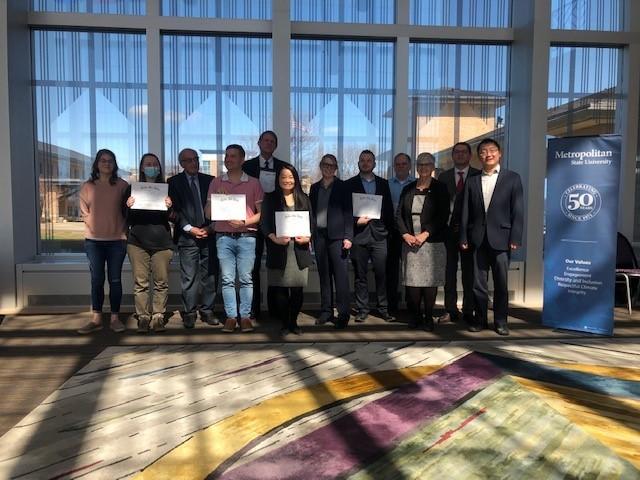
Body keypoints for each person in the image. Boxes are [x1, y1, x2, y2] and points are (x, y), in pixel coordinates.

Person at [460, 138, 524, 336]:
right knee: (478, 284)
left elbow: (518, 210)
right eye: (483, 151)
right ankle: (480, 320)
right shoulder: (471, 181)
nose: (488, 154)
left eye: (492, 150)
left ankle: (500, 321)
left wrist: (516, 237)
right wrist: (463, 236)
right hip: (477, 239)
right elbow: (465, 212)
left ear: (499, 153)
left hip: (502, 239)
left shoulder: (512, 178)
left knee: (501, 283)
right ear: (478, 156)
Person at [205, 144, 263, 333]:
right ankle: (231, 317)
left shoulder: (254, 183)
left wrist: (245, 222)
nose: (228, 159)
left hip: (247, 237)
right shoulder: (216, 182)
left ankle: (245, 316)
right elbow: (207, 213)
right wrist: (216, 201)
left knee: (246, 279)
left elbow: (261, 214)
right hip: (223, 238)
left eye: (233, 156)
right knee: (228, 280)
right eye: (227, 156)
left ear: (242, 160)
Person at [242, 130, 295, 320]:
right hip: (252, 222)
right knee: (253, 267)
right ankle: (254, 309)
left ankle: (275, 310)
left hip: (276, 222)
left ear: (276, 145)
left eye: (272, 141)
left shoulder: (283, 167)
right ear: (259, 143)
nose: (268, 143)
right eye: (265, 140)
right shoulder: (246, 166)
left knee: (275, 265)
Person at [77, 149, 128, 334]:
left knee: (115, 280)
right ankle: (96, 318)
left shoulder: (122, 186)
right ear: (97, 164)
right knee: (97, 280)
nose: (107, 163)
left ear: (114, 164)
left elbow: (129, 210)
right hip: (94, 242)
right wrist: (93, 225)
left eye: (110, 161)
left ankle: (115, 318)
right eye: (103, 160)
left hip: (117, 241)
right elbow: (84, 212)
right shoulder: (88, 186)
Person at [396, 153, 450, 331]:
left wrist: (425, 234)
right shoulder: (408, 188)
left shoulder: (440, 188)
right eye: (420, 164)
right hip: (410, 242)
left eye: (427, 164)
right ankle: (415, 316)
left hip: (432, 242)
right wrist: (405, 234)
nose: (424, 167)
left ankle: (428, 316)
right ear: (416, 167)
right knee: (412, 282)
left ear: (433, 166)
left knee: (429, 282)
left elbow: (443, 216)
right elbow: (399, 215)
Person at [167, 148, 218, 329]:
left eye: (195, 159)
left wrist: (211, 228)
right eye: (188, 160)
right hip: (187, 237)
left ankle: (208, 310)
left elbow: (217, 206)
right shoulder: (172, 183)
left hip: (209, 235)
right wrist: (191, 229)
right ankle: (189, 312)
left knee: (210, 276)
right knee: (189, 278)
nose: (193, 163)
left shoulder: (210, 180)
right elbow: (174, 211)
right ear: (182, 164)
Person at [261, 164, 313, 336]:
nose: (287, 180)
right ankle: (285, 323)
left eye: (290, 177)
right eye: (283, 177)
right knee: (281, 289)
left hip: (299, 250)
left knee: (297, 289)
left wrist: (308, 237)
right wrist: (274, 238)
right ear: (278, 179)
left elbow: (311, 223)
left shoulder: (304, 198)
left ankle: (294, 321)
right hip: (279, 249)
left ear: (295, 179)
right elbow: (265, 224)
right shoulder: (270, 198)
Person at [124, 153, 174, 333]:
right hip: (137, 242)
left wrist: (170, 207)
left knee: (161, 282)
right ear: (142, 167)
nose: (151, 166)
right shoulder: (131, 190)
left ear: (159, 167)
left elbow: (175, 217)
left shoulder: (167, 188)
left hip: (162, 242)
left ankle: (158, 316)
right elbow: (126, 219)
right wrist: (128, 206)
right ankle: (143, 317)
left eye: (154, 164)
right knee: (141, 283)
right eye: (147, 164)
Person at [345, 150, 395, 323]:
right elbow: (346, 211)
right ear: (358, 163)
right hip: (359, 235)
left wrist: (387, 230)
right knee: (360, 275)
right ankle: (362, 309)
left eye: (369, 160)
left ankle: (383, 308)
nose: (366, 163)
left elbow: (388, 209)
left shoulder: (383, 183)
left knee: (382, 273)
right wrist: (355, 222)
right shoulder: (349, 184)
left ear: (374, 164)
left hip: (380, 235)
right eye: (362, 160)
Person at [438, 142, 480, 324]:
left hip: (470, 233)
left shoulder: (478, 176)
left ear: (470, 156)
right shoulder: (444, 177)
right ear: (452, 156)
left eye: (464, 152)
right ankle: (450, 309)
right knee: (449, 273)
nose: (460, 155)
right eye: (457, 152)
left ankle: (469, 310)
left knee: (470, 273)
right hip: (448, 233)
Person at [309, 154, 353, 329]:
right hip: (319, 237)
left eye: (332, 165)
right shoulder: (314, 188)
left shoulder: (343, 187)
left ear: (336, 168)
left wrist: (349, 236)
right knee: (324, 276)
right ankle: (326, 311)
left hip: (338, 238)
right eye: (325, 165)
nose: (328, 168)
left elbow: (349, 213)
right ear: (320, 166)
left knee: (341, 278)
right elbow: (311, 214)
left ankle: (343, 314)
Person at [387, 153, 415, 314]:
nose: (401, 166)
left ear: (410, 166)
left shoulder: (416, 184)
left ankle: (412, 305)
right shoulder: (387, 184)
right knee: (391, 271)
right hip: (391, 233)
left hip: (411, 233)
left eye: (404, 164)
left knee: (411, 270)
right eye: (398, 164)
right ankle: (392, 306)